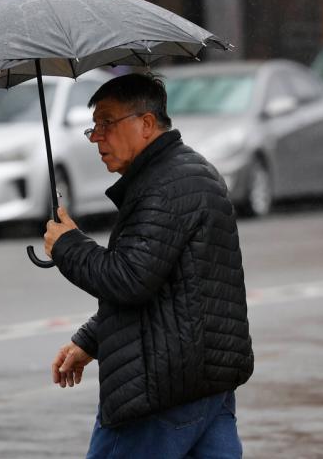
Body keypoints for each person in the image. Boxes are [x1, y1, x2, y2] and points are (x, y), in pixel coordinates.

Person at [43, 73, 254, 458]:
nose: (96, 137)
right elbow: (169, 283)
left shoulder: (163, 186)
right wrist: (92, 340)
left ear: (146, 124)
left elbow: (131, 279)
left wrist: (68, 246)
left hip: (160, 391)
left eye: (107, 123)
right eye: (94, 126)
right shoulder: (187, 172)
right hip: (205, 387)